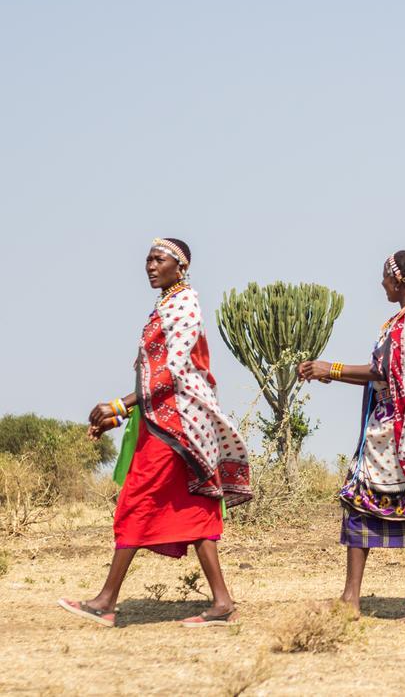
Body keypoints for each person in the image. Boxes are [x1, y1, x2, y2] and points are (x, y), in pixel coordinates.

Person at [58, 238, 251, 628]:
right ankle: (222, 602)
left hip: (177, 425)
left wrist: (121, 404)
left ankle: (106, 601)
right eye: (147, 259)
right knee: (193, 507)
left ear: (180, 267)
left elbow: (174, 369)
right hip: (162, 421)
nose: (149, 265)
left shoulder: (185, 304)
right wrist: (124, 414)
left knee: (136, 500)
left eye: (158, 259)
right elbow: (153, 374)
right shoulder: (166, 304)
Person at [298, 250, 405, 624]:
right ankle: (350, 598)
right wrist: (330, 372)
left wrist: (329, 368)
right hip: (385, 430)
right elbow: (381, 374)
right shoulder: (401, 320)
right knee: (357, 502)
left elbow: (383, 370)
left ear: (399, 281)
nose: (381, 283)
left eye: (385, 277)